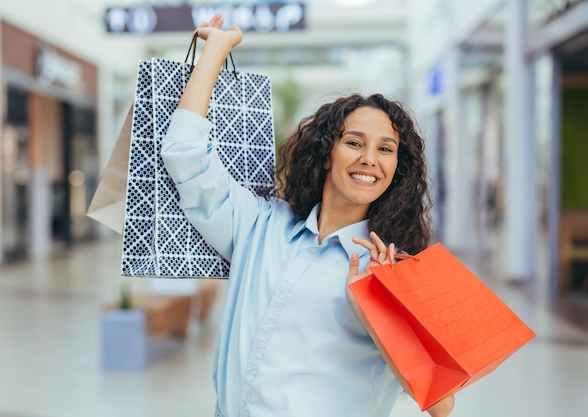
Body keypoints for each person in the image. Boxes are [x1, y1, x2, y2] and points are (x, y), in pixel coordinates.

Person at [161, 13, 455, 417]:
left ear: (397, 169)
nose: (370, 159)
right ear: (326, 153)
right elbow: (185, 155)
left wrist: (375, 308)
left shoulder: (394, 268)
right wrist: (215, 51)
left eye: (386, 149)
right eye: (354, 142)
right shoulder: (260, 225)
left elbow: (441, 404)